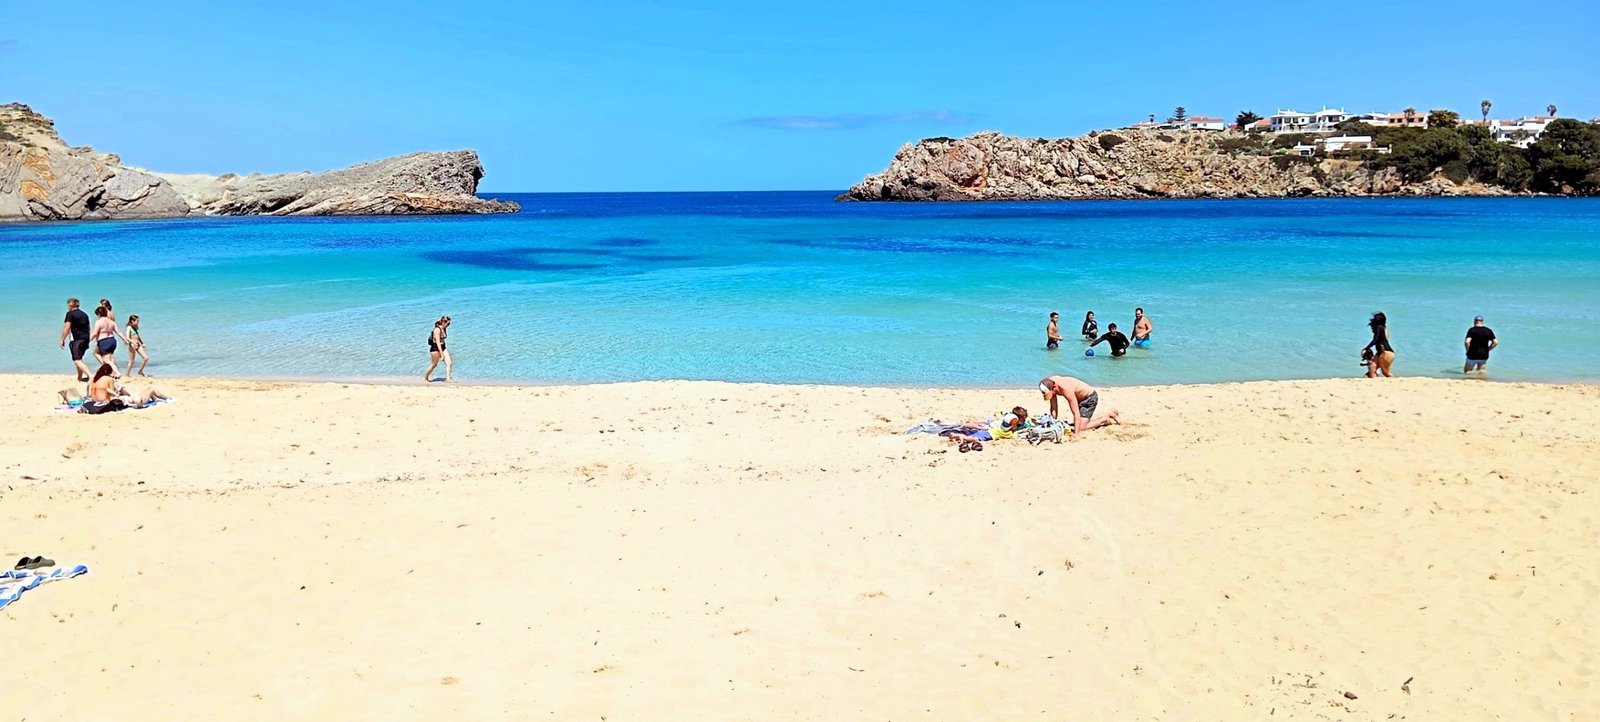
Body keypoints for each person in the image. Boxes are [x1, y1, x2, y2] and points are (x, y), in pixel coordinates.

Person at [1038, 375, 1119, 434]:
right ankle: (1110, 413)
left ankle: (1104, 419)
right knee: (1078, 423)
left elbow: (1076, 413)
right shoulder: (1050, 383)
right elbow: (1054, 407)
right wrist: (1053, 423)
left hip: (1089, 398)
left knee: (1081, 427)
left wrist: (1076, 435)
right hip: (1079, 398)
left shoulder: (1066, 389)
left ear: (1054, 387)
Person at [58, 298, 92, 382]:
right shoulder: (84, 314)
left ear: (70, 305)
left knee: (77, 360)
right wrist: (88, 339)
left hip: (77, 339)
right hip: (85, 338)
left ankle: (91, 376)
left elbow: (67, 327)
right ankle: (80, 377)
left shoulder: (70, 314)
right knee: (79, 358)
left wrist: (62, 339)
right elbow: (88, 328)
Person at [90, 305, 124, 377]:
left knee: (107, 360)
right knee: (96, 352)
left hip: (103, 342)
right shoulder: (112, 322)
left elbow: (95, 333)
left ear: (99, 314)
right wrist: (125, 339)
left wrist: (88, 340)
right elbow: (118, 332)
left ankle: (117, 372)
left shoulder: (98, 322)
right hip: (112, 341)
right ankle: (107, 368)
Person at [1363, 311, 1395, 378]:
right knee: (1372, 369)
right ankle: (1375, 381)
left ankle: (1394, 382)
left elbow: (1375, 340)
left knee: (1385, 372)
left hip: (1385, 352)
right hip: (1383, 352)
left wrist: (1366, 348)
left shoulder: (1379, 327)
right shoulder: (1384, 328)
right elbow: (1386, 338)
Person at [424, 316, 453, 382]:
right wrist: (441, 354)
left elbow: (442, 340)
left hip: (443, 347)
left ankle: (448, 379)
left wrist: (443, 350)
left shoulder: (444, 329)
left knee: (449, 363)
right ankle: (425, 377)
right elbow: (438, 342)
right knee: (434, 364)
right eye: (448, 324)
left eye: (449, 324)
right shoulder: (437, 330)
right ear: (443, 322)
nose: (448, 325)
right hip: (435, 348)